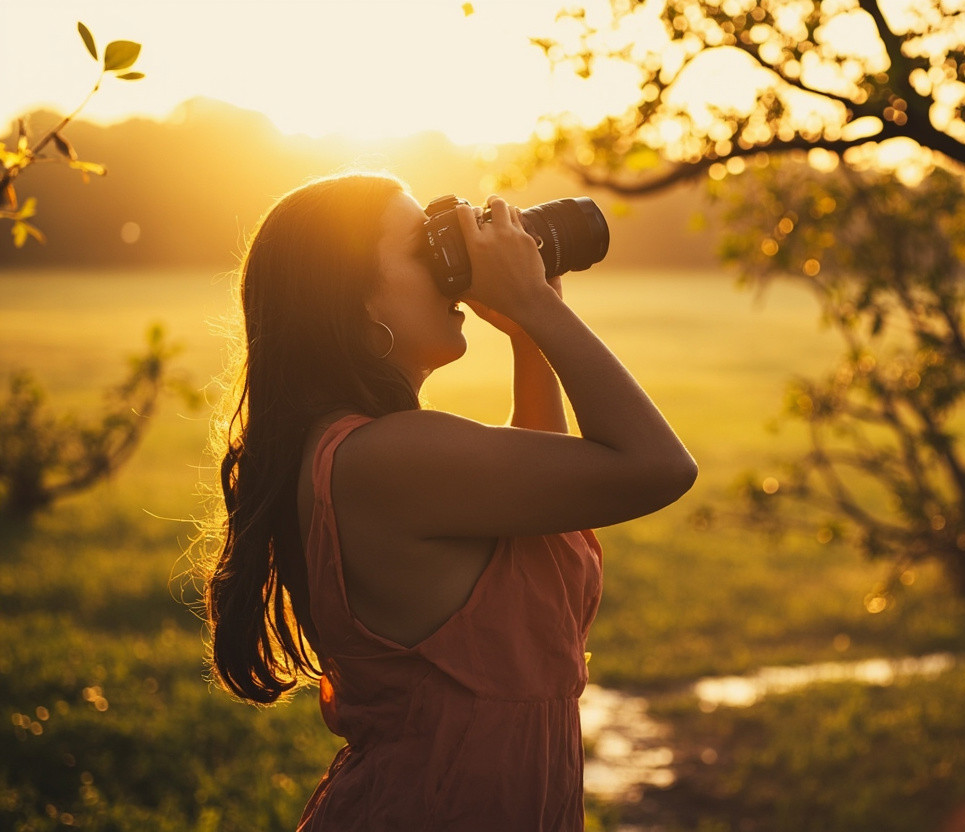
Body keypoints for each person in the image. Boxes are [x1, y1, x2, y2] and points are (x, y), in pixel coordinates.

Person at [201, 171, 697, 830]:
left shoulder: (375, 453)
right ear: (354, 300)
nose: (453, 268)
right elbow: (658, 466)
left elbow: (536, 516)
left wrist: (528, 330)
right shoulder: (386, 458)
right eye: (425, 249)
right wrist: (543, 311)